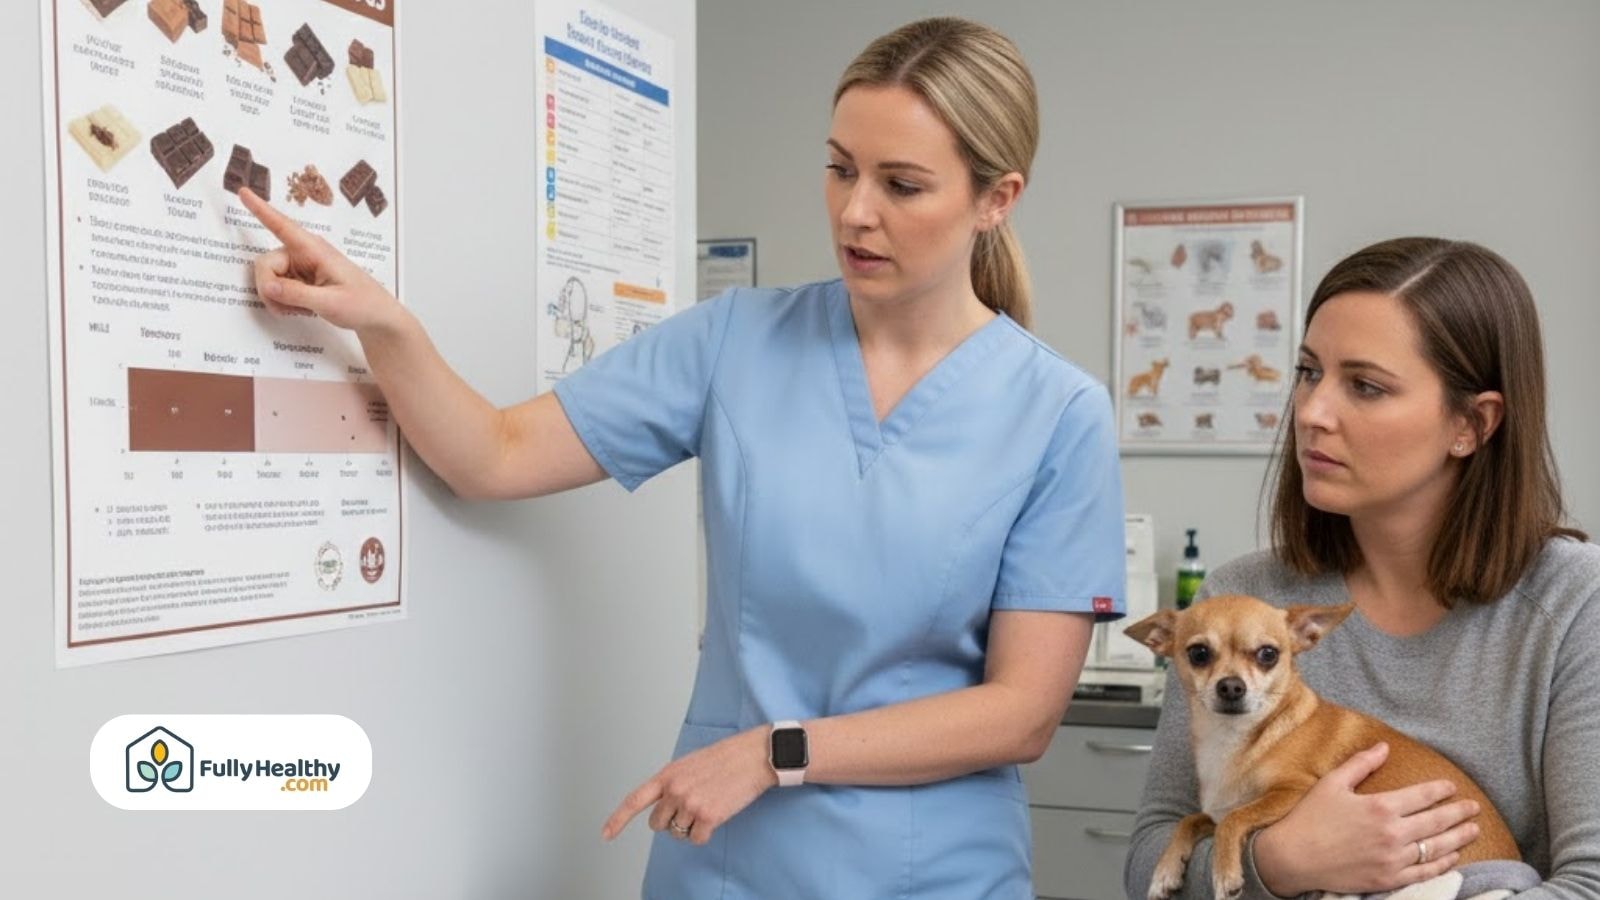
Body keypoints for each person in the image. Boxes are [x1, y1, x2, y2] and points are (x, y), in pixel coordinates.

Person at [242, 17, 1126, 898]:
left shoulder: (1059, 414)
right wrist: (386, 326)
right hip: (728, 863)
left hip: (932, 873)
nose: (856, 211)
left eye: (901, 184)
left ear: (995, 198)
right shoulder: (734, 341)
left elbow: (1022, 714)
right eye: (840, 167)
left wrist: (778, 753)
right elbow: (496, 455)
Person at [1125, 237, 1600, 898]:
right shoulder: (1243, 598)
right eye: (1307, 371)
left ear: (1472, 424)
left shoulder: (1577, 602)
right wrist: (1281, 861)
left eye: (1366, 386)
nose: (1313, 413)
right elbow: (1152, 852)